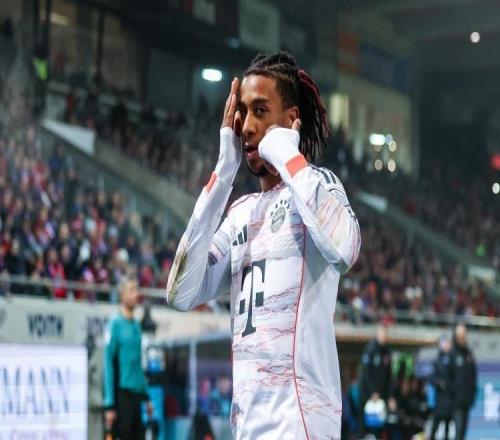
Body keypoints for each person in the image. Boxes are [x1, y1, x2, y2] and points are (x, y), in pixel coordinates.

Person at [166, 52, 361, 438]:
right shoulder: (241, 214)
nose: (248, 127)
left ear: (290, 119)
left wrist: (286, 153)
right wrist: (223, 172)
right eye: (242, 112)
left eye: (260, 111)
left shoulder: (318, 186)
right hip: (247, 428)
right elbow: (180, 292)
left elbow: (345, 249)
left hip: (300, 426)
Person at [103, 272, 153, 439]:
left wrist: (147, 397)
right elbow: (108, 364)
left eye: (136, 290)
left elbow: (138, 365)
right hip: (122, 397)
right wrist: (109, 404)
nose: (135, 294)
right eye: (131, 290)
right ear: (122, 295)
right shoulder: (115, 325)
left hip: (137, 397)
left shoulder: (137, 326)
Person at [359, 326, 392, 434]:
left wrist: (390, 395)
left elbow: (389, 376)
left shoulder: (387, 351)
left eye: (386, 334)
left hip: (382, 394)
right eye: (382, 334)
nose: (384, 337)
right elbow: (366, 374)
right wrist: (373, 391)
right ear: (377, 334)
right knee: (366, 423)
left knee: (381, 424)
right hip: (368, 393)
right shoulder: (370, 349)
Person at [451, 324, 477, 440]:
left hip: (467, 400)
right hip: (455, 401)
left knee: (462, 433)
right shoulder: (452, 353)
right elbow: (448, 376)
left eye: (465, 335)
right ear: (456, 336)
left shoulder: (468, 354)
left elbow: (473, 375)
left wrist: (472, 394)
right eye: (461, 335)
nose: (464, 338)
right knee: (458, 431)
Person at [429, 334, 454, 440]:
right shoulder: (437, 360)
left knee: (448, 427)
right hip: (440, 400)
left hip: (450, 399)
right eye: (444, 343)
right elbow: (431, 378)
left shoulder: (454, 359)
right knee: (435, 425)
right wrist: (439, 382)